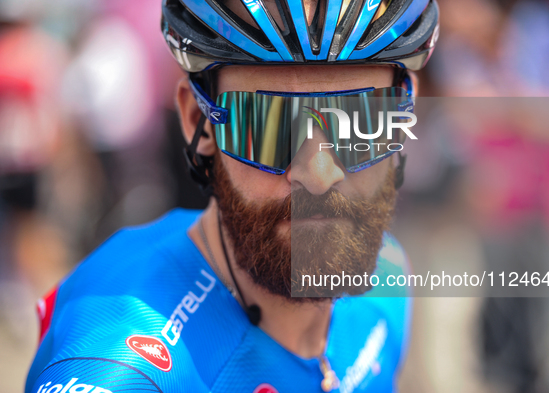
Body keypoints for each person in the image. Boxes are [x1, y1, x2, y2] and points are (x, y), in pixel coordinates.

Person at [25, 0, 439, 391]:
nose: (319, 175)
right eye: (268, 129)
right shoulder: (121, 371)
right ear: (196, 121)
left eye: (360, 124)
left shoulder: (388, 274)